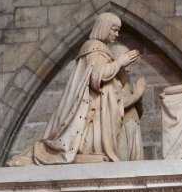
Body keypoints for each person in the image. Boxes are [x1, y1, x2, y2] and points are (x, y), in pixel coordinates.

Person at [7, 12, 140, 166]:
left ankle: (93, 154)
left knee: (95, 142)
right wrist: (120, 62)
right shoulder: (94, 47)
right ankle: (88, 154)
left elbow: (112, 82)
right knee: (87, 140)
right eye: (114, 29)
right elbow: (99, 76)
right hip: (91, 107)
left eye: (117, 30)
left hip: (101, 106)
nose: (116, 34)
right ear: (104, 28)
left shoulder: (101, 49)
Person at [110, 44, 146, 161]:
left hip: (133, 126)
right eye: (128, 58)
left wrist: (138, 99)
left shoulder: (127, 85)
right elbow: (117, 104)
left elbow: (139, 113)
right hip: (121, 129)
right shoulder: (110, 83)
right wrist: (136, 95)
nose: (131, 63)